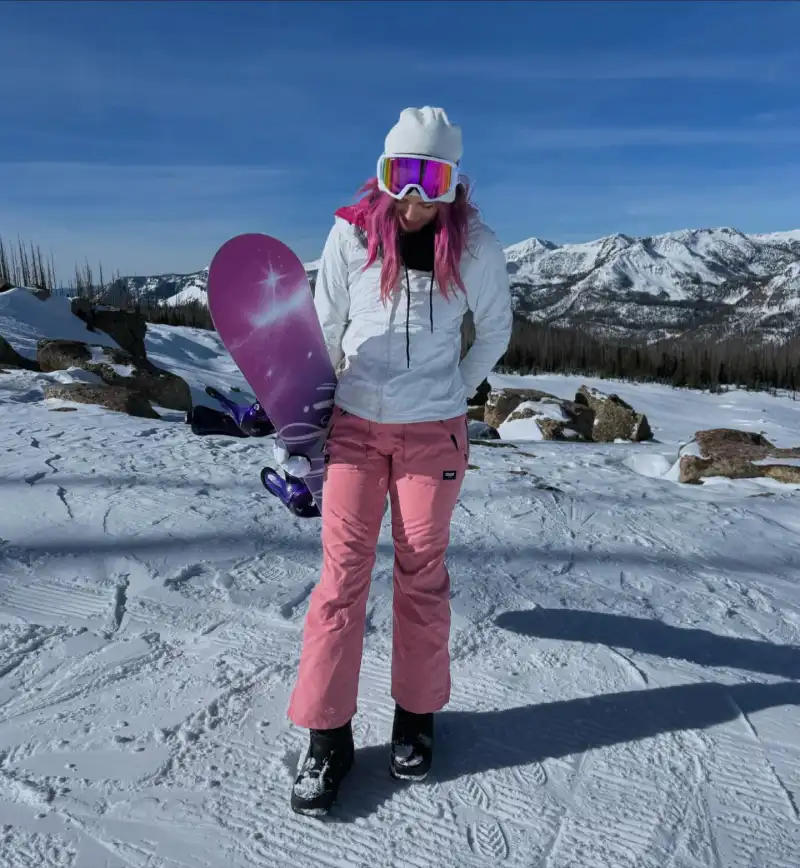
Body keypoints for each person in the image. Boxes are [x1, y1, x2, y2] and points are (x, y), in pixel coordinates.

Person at [277, 106, 513, 816]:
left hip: (431, 433)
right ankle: (327, 732)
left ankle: (415, 715)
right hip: (354, 424)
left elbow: (495, 328)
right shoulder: (352, 233)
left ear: (452, 184)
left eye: (430, 180)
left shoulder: (475, 246)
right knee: (341, 577)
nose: (414, 199)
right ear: (383, 173)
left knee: (421, 573)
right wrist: (304, 422)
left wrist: (454, 391)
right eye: (401, 176)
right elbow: (323, 325)